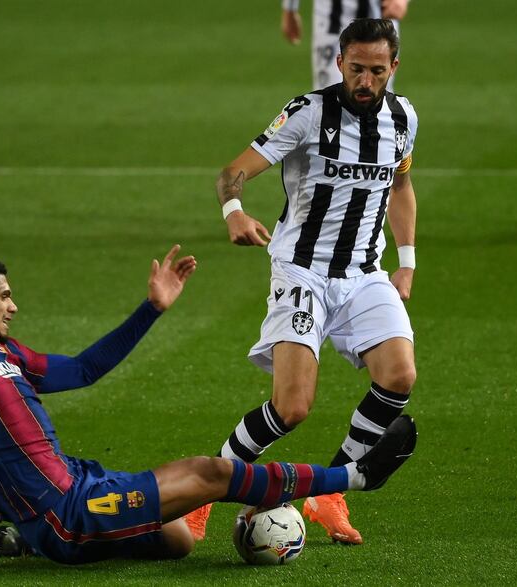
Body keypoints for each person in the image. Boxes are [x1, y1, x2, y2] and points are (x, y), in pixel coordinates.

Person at [0, 245, 416, 565]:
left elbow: (86, 369)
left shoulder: (6, 353)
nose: (13, 305)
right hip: (67, 514)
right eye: (5, 297)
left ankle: (29, 540)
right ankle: (356, 477)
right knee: (209, 473)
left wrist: (151, 309)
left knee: (179, 539)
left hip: (78, 486)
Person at [184, 19, 419, 546]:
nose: (365, 80)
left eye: (377, 71)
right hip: (302, 272)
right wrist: (235, 212)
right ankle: (206, 490)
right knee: (291, 408)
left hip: (363, 275)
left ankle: (328, 493)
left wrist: (406, 260)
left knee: (400, 375)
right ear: (339, 63)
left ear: (393, 69)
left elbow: (401, 185)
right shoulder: (308, 113)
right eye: (356, 68)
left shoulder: (404, 118)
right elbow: (232, 171)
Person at [280, 0, 409, 90]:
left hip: (380, 23)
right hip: (332, 24)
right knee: (330, 100)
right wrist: (290, 8)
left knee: (377, 98)